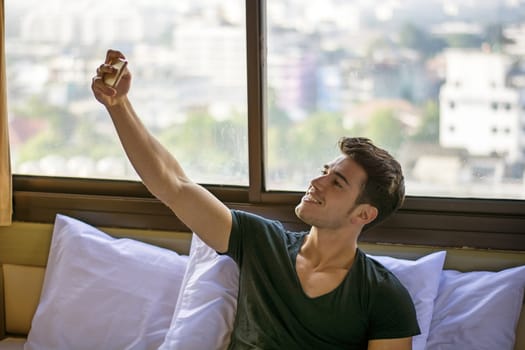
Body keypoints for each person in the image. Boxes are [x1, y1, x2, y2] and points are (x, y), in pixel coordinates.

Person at [92, 49, 420, 350]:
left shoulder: (383, 295)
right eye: (324, 170)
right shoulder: (261, 241)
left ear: (363, 214)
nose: (317, 181)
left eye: (337, 182)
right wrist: (118, 106)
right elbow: (173, 185)